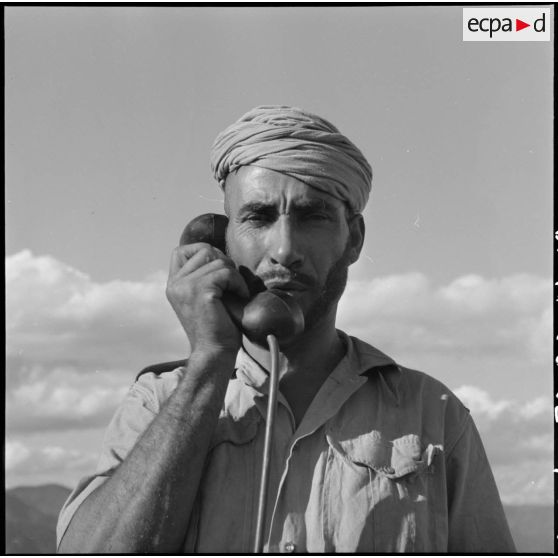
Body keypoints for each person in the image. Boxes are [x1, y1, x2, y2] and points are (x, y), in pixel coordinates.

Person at [56, 105, 516, 553]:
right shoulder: (159, 401)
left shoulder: (433, 414)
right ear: (217, 242)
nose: (285, 249)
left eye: (312, 216)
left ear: (353, 238)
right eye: (257, 217)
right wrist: (209, 362)